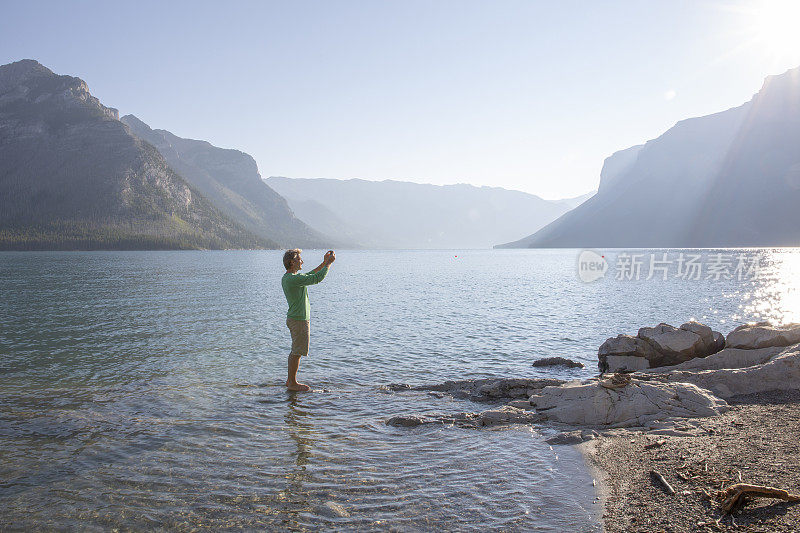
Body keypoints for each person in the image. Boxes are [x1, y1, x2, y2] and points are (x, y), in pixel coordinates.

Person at [281, 249, 335, 391]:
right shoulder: (292, 279)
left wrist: (324, 262)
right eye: (300, 259)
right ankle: (292, 383)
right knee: (297, 352)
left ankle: (290, 381)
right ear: (292, 262)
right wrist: (328, 265)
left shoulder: (291, 278)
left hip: (297, 319)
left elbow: (310, 274)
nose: (302, 261)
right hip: (298, 320)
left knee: (296, 351)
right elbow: (316, 278)